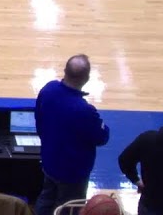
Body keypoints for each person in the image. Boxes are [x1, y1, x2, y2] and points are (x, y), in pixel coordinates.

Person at [34, 54, 110, 215]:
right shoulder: (84, 111)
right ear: (87, 78)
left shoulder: (48, 89)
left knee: (46, 199)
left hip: (49, 160)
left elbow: (38, 119)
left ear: (64, 71)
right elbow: (102, 137)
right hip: (73, 173)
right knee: (69, 208)